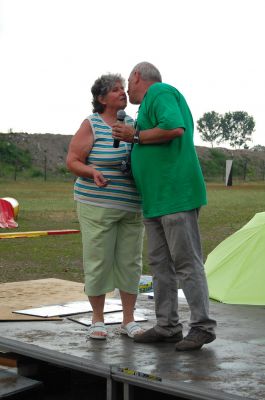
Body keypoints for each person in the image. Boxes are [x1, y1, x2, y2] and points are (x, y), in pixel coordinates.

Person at [112, 62, 217, 351]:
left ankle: (202, 326)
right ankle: (168, 325)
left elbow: (174, 128)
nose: (126, 91)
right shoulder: (147, 106)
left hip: (176, 194)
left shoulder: (159, 91)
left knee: (186, 262)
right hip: (156, 200)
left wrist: (133, 135)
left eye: (127, 84)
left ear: (137, 77)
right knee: (160, 265)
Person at [66, 74, 144, 340]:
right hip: (96, 204)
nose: (123, 93)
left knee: (130, 263)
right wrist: (90, 172)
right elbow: (73, 160)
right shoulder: (92, 124)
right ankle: (97, 320)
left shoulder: (133, 124)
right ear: (101, 98)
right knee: (98, 260)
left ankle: (128, 320)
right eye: (115, 90)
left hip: (132, 206)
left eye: (123, 88)